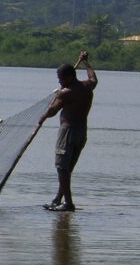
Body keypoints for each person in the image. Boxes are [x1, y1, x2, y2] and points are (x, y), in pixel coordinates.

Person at [38, 51, 98, 211]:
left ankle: (68, 203)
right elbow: (93, 78)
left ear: (69, 77)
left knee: (62, 168)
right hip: (81, 133)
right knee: (67, 168)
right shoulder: (87, 87)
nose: (60, 82)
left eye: (61, 79)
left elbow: (53, 111)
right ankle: (58, 199)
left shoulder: (66, 93)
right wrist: (86, 62)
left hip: (68, 132)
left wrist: (43, 117)